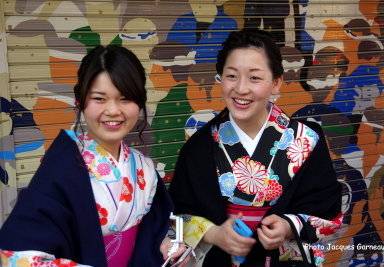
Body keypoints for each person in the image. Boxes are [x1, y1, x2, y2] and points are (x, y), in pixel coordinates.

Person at [0, 45, 187, 267]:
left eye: (125, 98)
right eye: (100, 98)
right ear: (80, 101)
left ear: (139, 103)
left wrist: (165, 245)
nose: (113, 110)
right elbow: (18, 253)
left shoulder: (144, 167)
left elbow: (152, 230)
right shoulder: (61, 167)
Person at [168, 29, 343, 266]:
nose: (241, 89)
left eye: (255, 78)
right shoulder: (198, 147)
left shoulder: (306, 140)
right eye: (231, 76)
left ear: (276, 83)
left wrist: (289, 226)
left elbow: (328, 210)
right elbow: (177, 215)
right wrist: (214, 234)